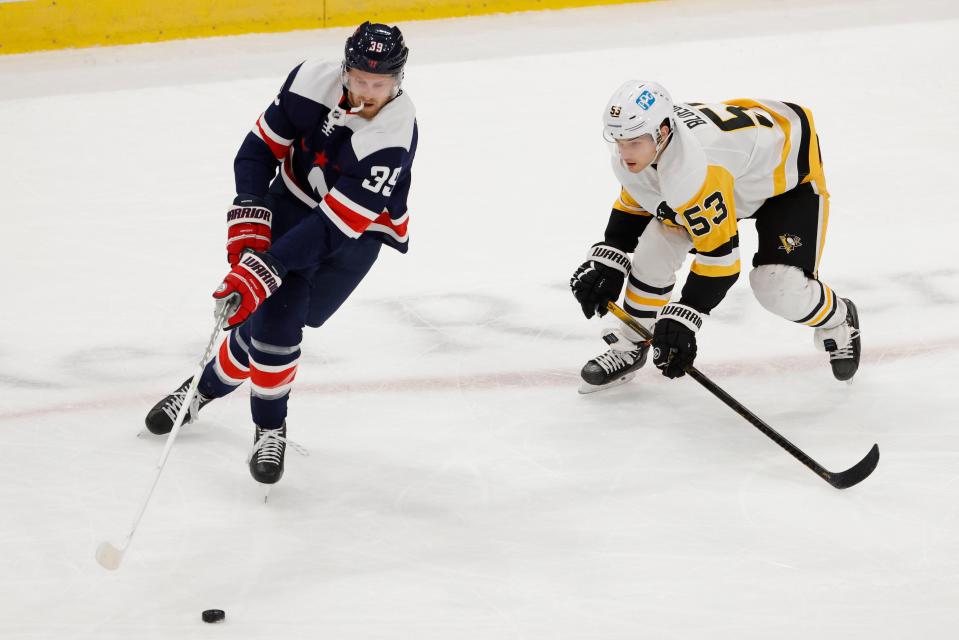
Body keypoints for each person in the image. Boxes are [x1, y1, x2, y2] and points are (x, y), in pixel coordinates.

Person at [144, 22, 418, 486]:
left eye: (381, 83)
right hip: (290, 206)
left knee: (268, 323)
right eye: (360, 79)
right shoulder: (311, 80)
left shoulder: (392, 135)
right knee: (278, 320)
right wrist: (251, 211)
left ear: (398, 80)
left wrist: (265, 267)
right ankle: (269, 427)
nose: (369, 91)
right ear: (346, 69)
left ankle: (203, 388)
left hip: (353, 238)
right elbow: (256, 151)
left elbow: (334, 225)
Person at [570, 80, 860, 393]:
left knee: (777, 286)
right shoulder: (642, 149)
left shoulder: (695, 171)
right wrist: (608, 259)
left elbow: (720, 261)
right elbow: (636, 205)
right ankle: (632, 342)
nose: (624, 151)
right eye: (619, 140)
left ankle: (840, 319)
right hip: (735, 170)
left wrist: (684, 319)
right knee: (656, 247)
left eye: (634, 142)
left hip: (787, 180)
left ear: (663, 131)